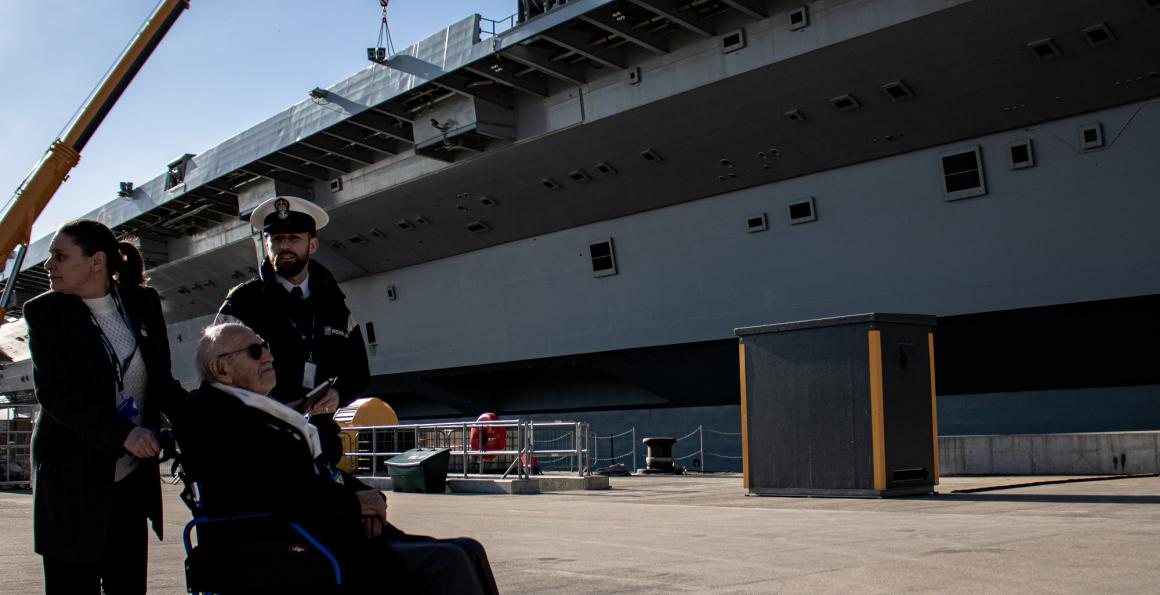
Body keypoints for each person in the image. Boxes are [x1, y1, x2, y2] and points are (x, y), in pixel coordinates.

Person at [176, 323, 499, 594]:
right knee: (449, 562)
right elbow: (275, 486)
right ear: (222, 368)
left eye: (266, 347)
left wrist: (369, 499)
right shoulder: (211, 414)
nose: (269, 356)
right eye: (256, 351)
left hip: (313, 531)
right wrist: (355, 505)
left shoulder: (252, 410)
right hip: (282, 544)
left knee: (468, 550)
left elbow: (312, 476)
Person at [25, 219, 186, 593]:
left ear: (97, 261)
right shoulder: (45, 313)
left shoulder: (142, 304)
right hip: (72, 481)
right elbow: (57, 395)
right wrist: (124, 434)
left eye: (60, 256)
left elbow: (161, 381)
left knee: (128, 586)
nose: (49, 265)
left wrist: (208, 417)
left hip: (130, 481)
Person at [215, 195, 368, 463]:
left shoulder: (334, 304)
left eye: (294, 239)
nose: (284, 246)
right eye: (276, 239)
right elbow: (215, 376)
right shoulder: (243, 303)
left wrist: (338, 394)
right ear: (266, 244)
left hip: (319, 442)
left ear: (313, 244)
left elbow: (358, 371)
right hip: (259, 446)